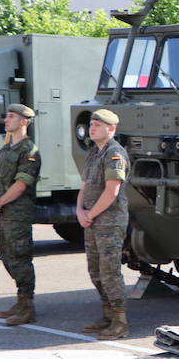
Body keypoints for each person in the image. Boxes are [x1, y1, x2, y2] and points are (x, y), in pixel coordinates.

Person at [77, 108, 131, 340]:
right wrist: (80, 210)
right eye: (91, 124)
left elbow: (112, 191)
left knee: (109, 271)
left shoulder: (115, 153)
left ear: (112, 129)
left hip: (109, 221)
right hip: (92, 219)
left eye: (98, 124)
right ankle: (108, 315)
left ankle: (120, 322)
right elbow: (84, 186)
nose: (92, 127)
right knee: (95, 270)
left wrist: (90, 214)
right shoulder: (93, 153)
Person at [0, 104, 42, 326]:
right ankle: (20, 301)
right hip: (3, 211)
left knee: (20, 256)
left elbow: (21, 185)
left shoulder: (29, 151)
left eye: (11, 117)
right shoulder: (6, 149)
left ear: (24, 122)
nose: (6, 120)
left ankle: (27, 305)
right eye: (7, 116)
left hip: (17, 212)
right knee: (6, 254)